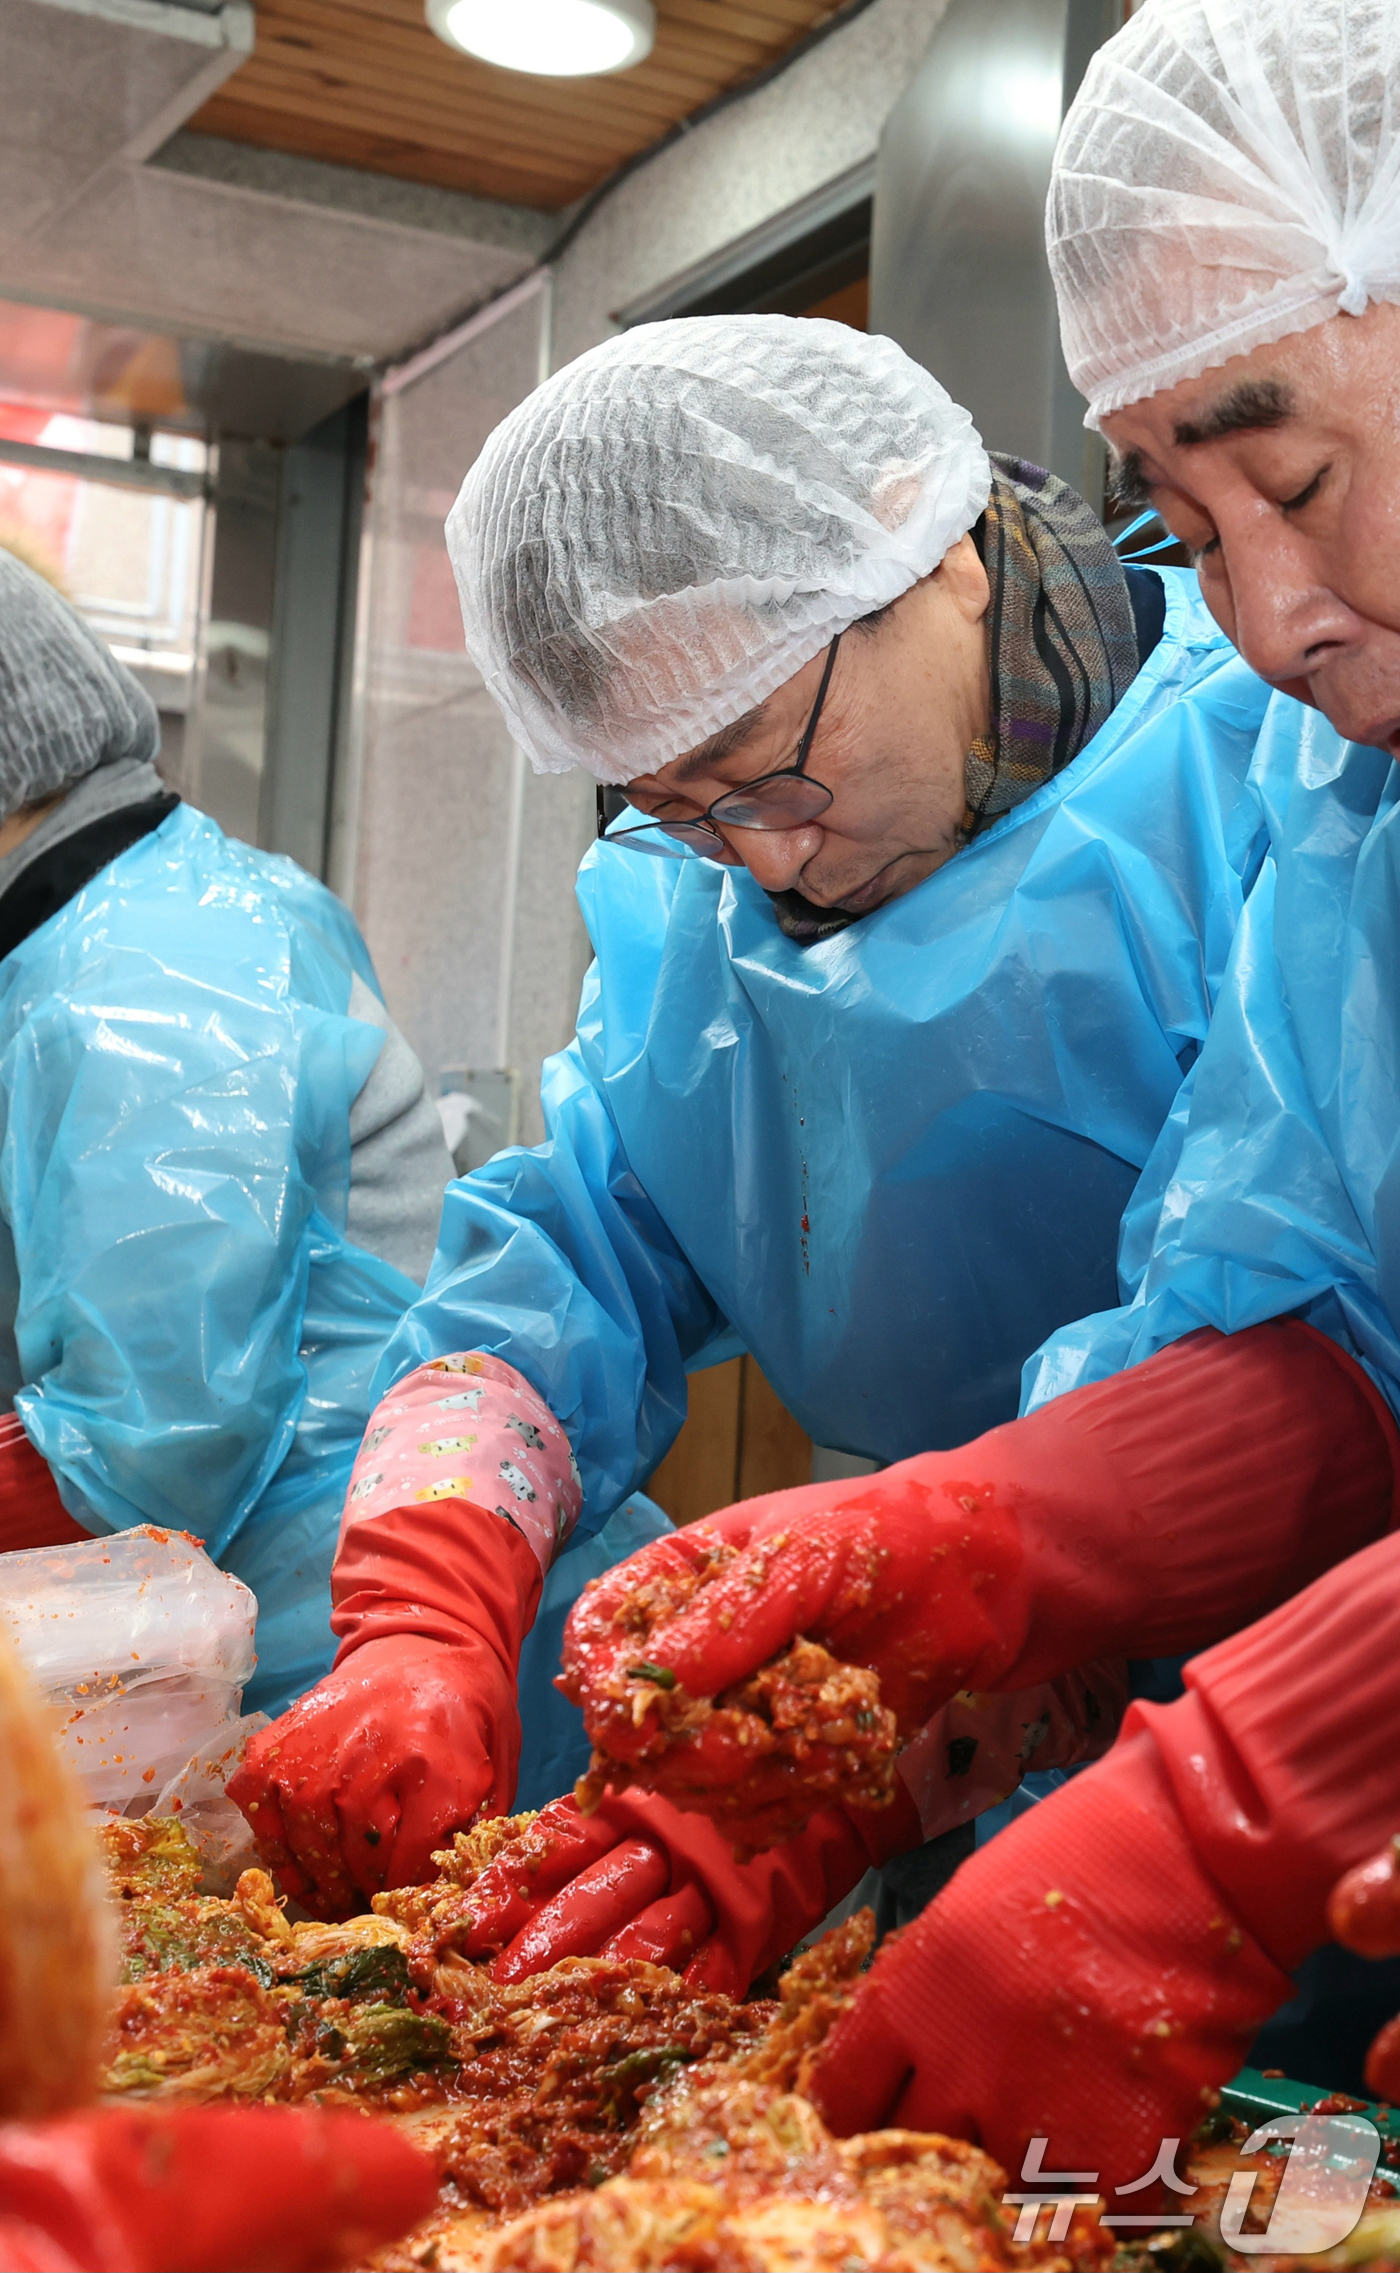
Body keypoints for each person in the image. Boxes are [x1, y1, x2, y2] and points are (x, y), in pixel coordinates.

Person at [233, 316, 1395, 1973]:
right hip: (951, 1715)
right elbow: (562, 1263)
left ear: (942, 559)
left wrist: (987, 1603)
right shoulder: (702, 903)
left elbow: (1305, 1313)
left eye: (768, 755)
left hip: (1325, 1749)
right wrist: (424, 1602)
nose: (761, 852)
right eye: (676, 799)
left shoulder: (1286, 773)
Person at [723, 0, 1400, 2196]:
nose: (1275, 614)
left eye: (1292, 479)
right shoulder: (1350, 779)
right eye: (1190, 533)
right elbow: (1338, 1317)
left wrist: (1253, 1785)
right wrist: (991, 1538)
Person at [0, 553, 453, 1716]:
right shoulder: (140, 911)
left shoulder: (141, 974)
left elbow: (158, 1435)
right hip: (299, 1637)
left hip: (348, 1648)